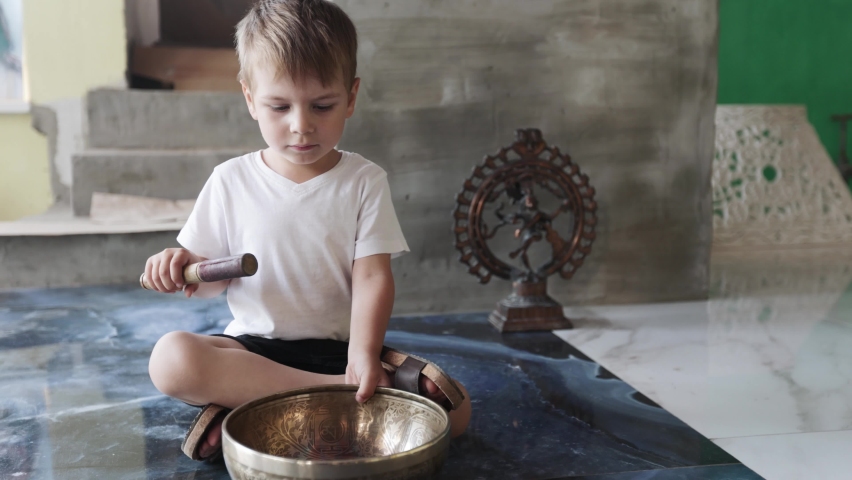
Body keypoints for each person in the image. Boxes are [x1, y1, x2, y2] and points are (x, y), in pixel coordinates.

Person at [144, 0, 471, 462]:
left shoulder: (363, 181)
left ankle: (250, 411)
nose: (302, 126)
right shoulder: (230, 180)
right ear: (249, 99)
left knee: (457, 413)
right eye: (279, 106)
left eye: (322, 105)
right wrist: (180, 265)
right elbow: (210, 280)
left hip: (340, 350)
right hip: (253, 352)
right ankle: (327, 396)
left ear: (351, 97)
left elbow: (372, 277)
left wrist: (364, 352)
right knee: (171, 358)